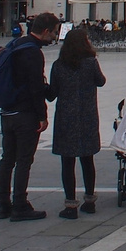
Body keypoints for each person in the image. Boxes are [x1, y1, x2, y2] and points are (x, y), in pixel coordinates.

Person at [0, 12, 61, 221]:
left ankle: (4, 204)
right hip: (24, 114)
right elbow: (35, 88)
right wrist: (42, 116)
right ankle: (20, 205)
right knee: (24, 160)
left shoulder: (15, 45)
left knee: (7, 159)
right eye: (54, 32)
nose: (55, 37)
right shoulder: (33, 53)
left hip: (7, 112)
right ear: (45, 31)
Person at [45, 27, 107, 219]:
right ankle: (89, 201)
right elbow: (101, 81)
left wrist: (43, 85)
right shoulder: (90, 62)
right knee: (87, 159)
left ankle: (70, 204)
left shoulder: (59, 65)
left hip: (66, 117)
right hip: (87, 115)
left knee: (68, 161)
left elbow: (52, 94)